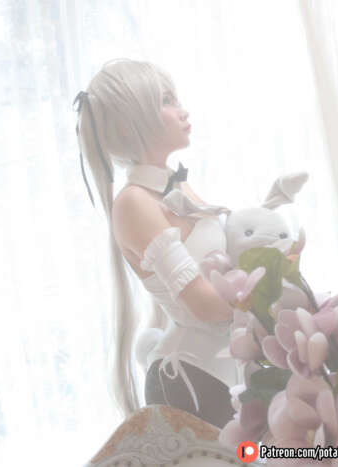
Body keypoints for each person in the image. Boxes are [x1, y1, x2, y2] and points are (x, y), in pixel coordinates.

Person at [73, 58, 237, 428]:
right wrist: (271, 291)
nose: (182, 110)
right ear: (127, 123)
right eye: (166, 100)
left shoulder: (176, 184)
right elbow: (203, 304)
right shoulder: (133, 203)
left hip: (228, 371)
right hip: (193, 382)